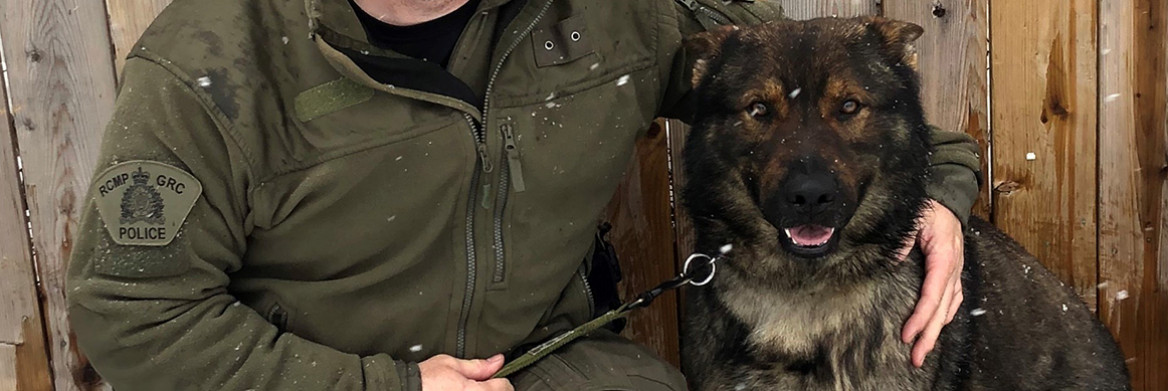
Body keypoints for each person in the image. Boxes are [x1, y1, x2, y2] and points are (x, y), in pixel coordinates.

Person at [66, 0, 981, 389]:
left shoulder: (623, 14)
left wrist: (938, 197)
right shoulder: (210, 62)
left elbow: (838, 92)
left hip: (536, 367)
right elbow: (130, 311)